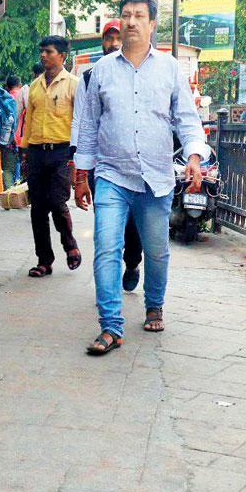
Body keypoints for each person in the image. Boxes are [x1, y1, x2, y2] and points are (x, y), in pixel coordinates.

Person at [74, 0, 209, 356]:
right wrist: (81, 175)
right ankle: (111, 326)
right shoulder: (101, 70)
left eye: (138, 16)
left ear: (151, 24)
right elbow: (88, 127)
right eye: (125, 15)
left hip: (157, 179)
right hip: (112, 176)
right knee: (106, 249)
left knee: (157, 251)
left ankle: (154, 304)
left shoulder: (169, 70)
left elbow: (186, 120)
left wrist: (195, 155)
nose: (131, 22)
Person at [76, 19, 144, 292]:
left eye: (118, 38)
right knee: (107, 225)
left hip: (136, 165)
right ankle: (108, 284)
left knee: (133, 225)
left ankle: (132, 262)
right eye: (108, 38)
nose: (113, 44)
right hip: (101, 167)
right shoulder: (90, 76)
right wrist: (79, 168)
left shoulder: (141, 73)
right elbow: (82, 122)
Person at [22, 36, 81, 277]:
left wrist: (78, 156)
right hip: (37, 152)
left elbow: (80, 122)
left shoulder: (74, 84)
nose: (43, 55)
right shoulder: (35, 86)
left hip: (62, 152)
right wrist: (25, 153)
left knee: (57, 203)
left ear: (62, 56)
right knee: (37, 209)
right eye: (42, 51)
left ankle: (70, 245)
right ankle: (44, 261)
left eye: (48, 51)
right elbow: (28, 121)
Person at [0, 75, 23, 189]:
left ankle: (9, 198)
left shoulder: (6, 99)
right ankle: (23, 198)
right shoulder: (25, 96)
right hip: (25, 140)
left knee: (8, 169)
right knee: (25, 169)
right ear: (19, 85)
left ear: (8, 87)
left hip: (9, 140)